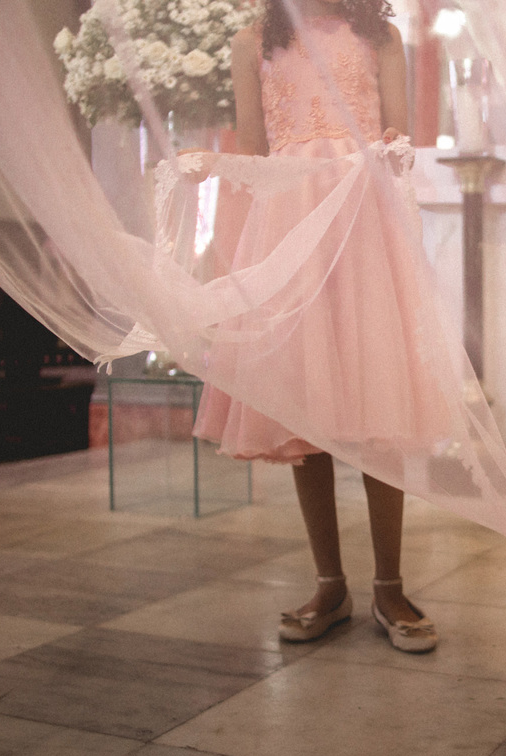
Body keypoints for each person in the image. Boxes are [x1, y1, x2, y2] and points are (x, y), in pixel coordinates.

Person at [192, 0, 438, 653]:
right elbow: (253, 146)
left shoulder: (378, 35)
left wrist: (376, 156)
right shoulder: (254, 41)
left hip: (361, 224)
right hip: (290, 225)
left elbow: (400, 133)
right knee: (306, 402)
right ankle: (330, 582)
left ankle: (389, 583)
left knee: (377, 395)